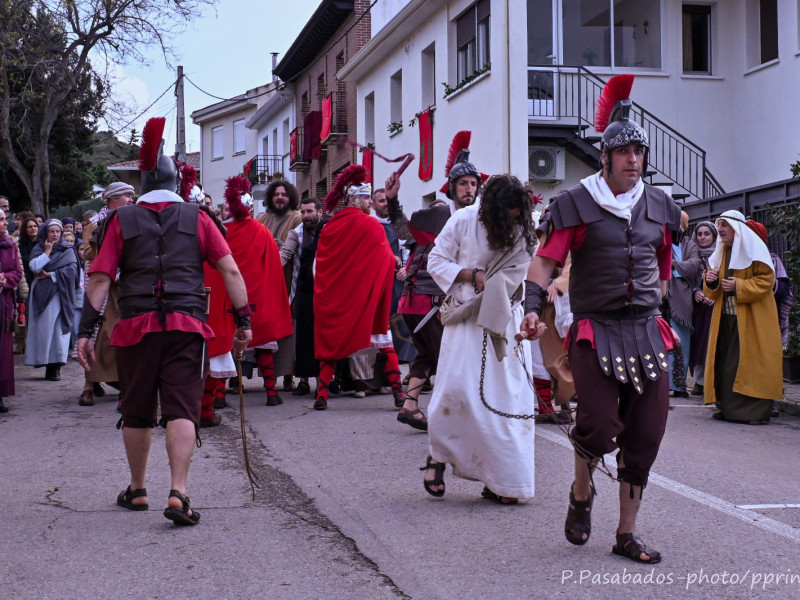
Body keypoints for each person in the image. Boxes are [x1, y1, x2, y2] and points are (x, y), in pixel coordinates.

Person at [522, 74, 681, 564]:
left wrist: (667, 315)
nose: (633, 159)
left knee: (647, 433)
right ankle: (580, 493)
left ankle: (625, 534)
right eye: (624, 152)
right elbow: (545, 261)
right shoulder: (575, 203)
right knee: (596, 425)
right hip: (596, 330)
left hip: (647, 330)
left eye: (639, 152)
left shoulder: (663, 207)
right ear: (606, 157)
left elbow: (664, 268)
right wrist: (531, 308)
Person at [76, 117, 252, 525]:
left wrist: (86, 332)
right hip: (186, 326)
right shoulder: (200, 218)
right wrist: (244, 320)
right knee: (182, 410)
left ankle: (137, 490)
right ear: (178, 182)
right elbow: (230, 272)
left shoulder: (119, 221)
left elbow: (100, 278)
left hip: (136, 328)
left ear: (141, 183)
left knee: (136, 409)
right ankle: (179, 492)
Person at [421, 174, 536, 505]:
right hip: (468, 319)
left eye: (520, 214)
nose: (514, 219)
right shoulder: (463, 219)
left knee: (507, 400)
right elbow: (436, 261)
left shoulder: (526, 226)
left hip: (506, 320)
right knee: (456, 392)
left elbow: (528, 273)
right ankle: (438, 457)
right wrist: (472, 275)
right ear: (493, 210)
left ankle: (504, 480)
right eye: (509, 215)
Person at [385, 131, 486, 430]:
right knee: (450, 360)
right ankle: (454, 416)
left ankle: (411, 405)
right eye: (463, 184)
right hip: (428, 301)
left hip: (430, 301)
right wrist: (392, 201)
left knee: (428, 355)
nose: (469, 188)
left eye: (473, 183)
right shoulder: (440, 215)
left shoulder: (478, 217)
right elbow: (403, 231)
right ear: (451, 189)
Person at [313, 165, 401, 410]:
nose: (369, 203)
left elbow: (320, 266)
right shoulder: (372, 226)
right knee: (384, 343)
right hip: (367, 299)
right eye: (365, 197)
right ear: (353, 198)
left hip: (339, 301)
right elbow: (386, 260)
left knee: (332, 347)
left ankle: (322, 395)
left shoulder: (329, 227)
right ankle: (399, 394)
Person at [703, 210, 782, 424]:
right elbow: (712, 291)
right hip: (726, 319)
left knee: (748, 364)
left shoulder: (754, 250)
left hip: (752, 320)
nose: (719, 229)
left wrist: (740, 285)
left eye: (724, 225)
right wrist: (710, 280)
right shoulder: (722, 253)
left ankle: (753, 413)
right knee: (724, 363)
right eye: (718, 225)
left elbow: (766, 281)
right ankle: (728, 409)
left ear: (736, 228)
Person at [76, 182, 136, 406]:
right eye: (127, 196)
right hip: (101, 282)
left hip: (123, 283)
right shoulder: (95, 223)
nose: (131, 200)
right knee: (97, 333)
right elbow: (88, 252)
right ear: (113, 199)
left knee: (121, 333)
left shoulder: (131, 221)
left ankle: (122, 382)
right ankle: (89, 385)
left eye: (132, 197)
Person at [257, 179, 302, 393]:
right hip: (264, 283)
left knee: (287, 331)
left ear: (290, 197)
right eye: (276, 194)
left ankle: (288, 376)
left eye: (284, 194)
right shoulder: (262, 218)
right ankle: (268, 377)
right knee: (266, 330)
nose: (280, 197)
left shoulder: (296, 217)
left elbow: (295, 250)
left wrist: (277, 247)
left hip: (287, 281)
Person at [24, 219, 79, 380]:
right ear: (45, 233)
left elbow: (73, 272)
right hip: (42, 295)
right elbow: (34, 267)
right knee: (44, 331)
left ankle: (56, 367)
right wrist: (47, 252)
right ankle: (44, 362)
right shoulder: (39, 248)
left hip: (61, 295)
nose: (55, 235)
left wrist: (52, 275)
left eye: (58, 232)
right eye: (51, 231)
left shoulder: (68, 249)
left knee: (58, 332)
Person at [280, 197, 323, 396]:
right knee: (304, 338)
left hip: (326, 293)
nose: (305, 216)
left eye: (309, 212)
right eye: (303, 212)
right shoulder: (296, 233)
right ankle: (304, 381)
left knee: (323, 337)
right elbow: (285, 254)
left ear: (320, 212)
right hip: (303, 292)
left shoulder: (329, 231)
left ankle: (324, 380)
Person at [666, 212, 702, 398]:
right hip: (661, 295)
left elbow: (693, 265)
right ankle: (662, 385)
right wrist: (678, 265)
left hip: (682, 299)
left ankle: (679, 385)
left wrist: (670, 263)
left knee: (681, 343)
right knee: (660, 343)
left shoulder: (690, 245)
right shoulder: (659, 240)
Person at [688, 221, 717, 395]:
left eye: (707, 234)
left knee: (711, 343)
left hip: (715, 305)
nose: (703, 237)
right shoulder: (692, 255)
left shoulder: (720, 254)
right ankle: (699, 381)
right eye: (699, 234)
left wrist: (714, 295)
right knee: (698, 343)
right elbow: (687, 280)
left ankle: (712, 381)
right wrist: (695, 292)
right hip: (698, 307)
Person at [0, 208, 24, 413]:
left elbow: (17, 271)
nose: (5, 223)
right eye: (0, 220)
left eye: (4, 219)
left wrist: (4, 280)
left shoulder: (11, 246)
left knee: (2, 349)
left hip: (3, 303)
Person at [13, 212, 37, 354]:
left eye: (35, 226)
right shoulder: (20, 245)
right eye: (30, 227)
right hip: (25, 282)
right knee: (23, 313)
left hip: (39, 282)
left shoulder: (42, 243)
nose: (33, 229)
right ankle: (21, 341)